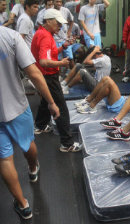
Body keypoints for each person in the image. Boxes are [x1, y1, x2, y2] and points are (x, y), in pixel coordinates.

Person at [0, 26, 59, 219]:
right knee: (28, 142)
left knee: (4, 159)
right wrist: (51, 102)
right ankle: (33, 169)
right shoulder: (10, 36)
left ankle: (24, 205)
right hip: (17, 106)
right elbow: (34, 73)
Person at [31, 8, 80, 152]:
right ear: (48, 21)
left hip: (43, 75)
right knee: (61, 108)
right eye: (58, 23)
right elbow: (45, 61)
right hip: (48, 76)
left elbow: (50, 54)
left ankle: (39, 126)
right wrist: (61, 63)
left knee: (46, 100)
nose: (60, 26)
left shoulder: (43, 33)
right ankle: (67, 143)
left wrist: (63, 47)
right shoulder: (46, 36)